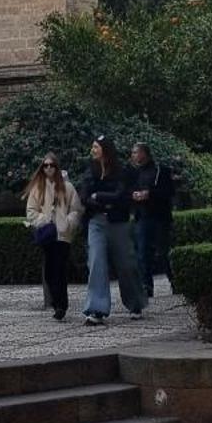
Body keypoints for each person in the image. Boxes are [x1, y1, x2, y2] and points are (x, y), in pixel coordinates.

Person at [79, 135, 145, 325]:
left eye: (96, 147)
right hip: (96, 222)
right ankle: (96, 309)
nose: (93, 150)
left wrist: (98, 195)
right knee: (96, 262)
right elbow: (84, 196)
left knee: (126, 264)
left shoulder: (122, 171)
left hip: (119, 222)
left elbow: (122, 196)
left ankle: (135, 303)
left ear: (105, 149)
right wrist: (100, 201)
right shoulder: (90, 170)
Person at [23, 154, 82, 322]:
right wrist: (44, 220)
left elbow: (76, 209)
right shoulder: (37, 188)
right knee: (49, 272)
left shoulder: (68, 187)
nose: (48, 168)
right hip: (48, 234)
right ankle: (57, 302)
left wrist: (68, 223)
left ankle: (61, 306)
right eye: (45, 166)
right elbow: (31, 211)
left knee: (60, 270)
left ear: (56, 167)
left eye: (51, 165)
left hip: (63, 235)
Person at [130, 142, 175, 299]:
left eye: (136, 152)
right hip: (142, 217)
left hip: (160, 218)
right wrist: (134, 196)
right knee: (142, 252)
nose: (133, 155)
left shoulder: (160, 171)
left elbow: (169, 192)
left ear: (144, 153)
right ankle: (146, 286)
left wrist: (150, 194)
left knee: (163, 252)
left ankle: (174, 280)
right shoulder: (135, 173)